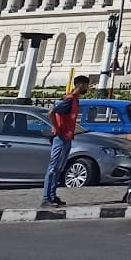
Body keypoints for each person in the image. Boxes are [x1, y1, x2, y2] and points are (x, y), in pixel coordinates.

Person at [41, 74, 89, 208]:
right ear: (80, 85)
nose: (87, 88)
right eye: (86, 85)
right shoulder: (69, 100)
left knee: (59, 168)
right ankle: (46, 198)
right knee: (53, 167)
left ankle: (52, 194)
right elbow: (52, 112)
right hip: (61, 138)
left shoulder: (74, 100)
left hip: (67, 138)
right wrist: (55, 127)